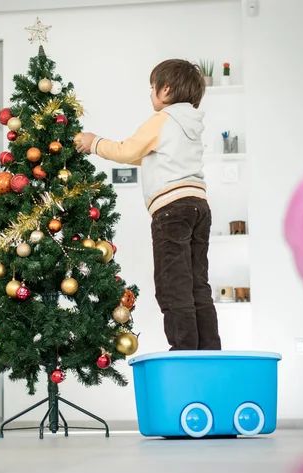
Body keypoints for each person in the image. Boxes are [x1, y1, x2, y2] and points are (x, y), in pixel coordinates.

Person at [74, 59, 221, 351]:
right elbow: (146, 155)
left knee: (172, 283)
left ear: (165, 90)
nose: (151, 93)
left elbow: (127, 149)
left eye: (152, 87)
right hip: (199, 206)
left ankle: (183, 350)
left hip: (172, 210)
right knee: (196, 283)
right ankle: (208, 350)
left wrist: (94, 143)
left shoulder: (162, 119)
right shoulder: (191, 122)